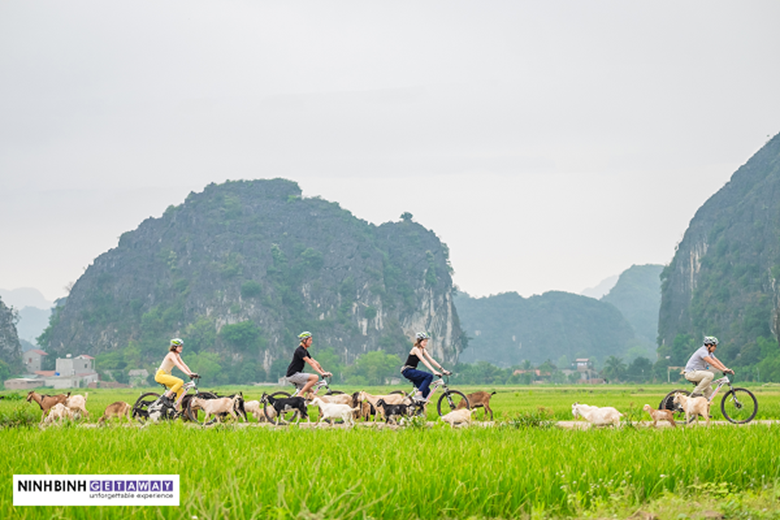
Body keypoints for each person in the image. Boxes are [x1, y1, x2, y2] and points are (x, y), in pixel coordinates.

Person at [401, 332, 451, 403]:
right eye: (424, 341)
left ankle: (418, 409)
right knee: (429, 376)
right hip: (407, 371)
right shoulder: (415, 349)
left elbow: (431, 360)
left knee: (426, 390)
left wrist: (443, 370)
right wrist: (434, 371)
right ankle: (418, 394)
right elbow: (424, 360)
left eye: (426, 341)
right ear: (419, 341)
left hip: (412, 371)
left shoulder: (423, 350)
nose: (425, 343)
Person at [285, 331, 332, 398]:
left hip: (296, 374)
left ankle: (303, 405)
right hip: (293, 375)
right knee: (315, 377)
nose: (311, 342)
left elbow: (316, 363)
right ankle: (300, 394)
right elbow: (311, 363)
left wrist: (324, 372)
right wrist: (321, 374)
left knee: (312, 394)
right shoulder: (300, 351)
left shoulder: (305, 351)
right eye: (310, 340)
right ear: (304, 340)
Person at [155, 338, 197, 409]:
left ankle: (176, 410)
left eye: (181, 346)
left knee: (181, 391)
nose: (181, 348)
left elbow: (183, 364)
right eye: (179, 346)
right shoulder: (171, 354)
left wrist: (191, 373)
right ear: (174, 347)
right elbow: (178, 365)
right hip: (160, 375)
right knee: (180, 382)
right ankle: (165, 397)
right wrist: (188, 374)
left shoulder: (177, 355)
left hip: (166, 375)